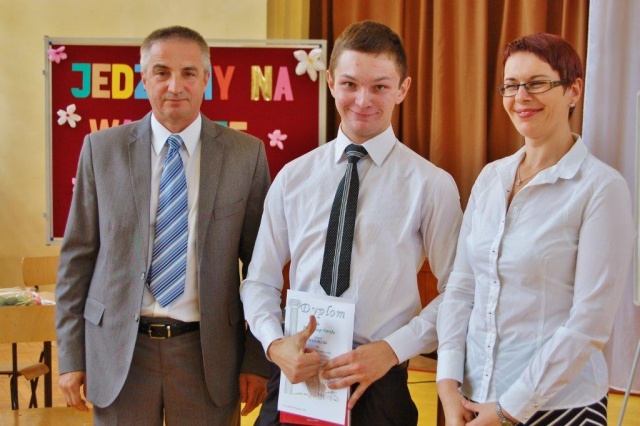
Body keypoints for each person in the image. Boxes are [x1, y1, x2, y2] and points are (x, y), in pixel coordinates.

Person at [240, 20, 463, 425]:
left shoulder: (431, 185)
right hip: (297, 375)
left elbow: (460, 292)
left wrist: (393, 349)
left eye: (379, 86)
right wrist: (275, 345)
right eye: (349, 84)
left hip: (379, 382)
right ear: (330, 83)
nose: (363, 100)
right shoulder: (293, 177)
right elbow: (259, 281)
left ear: (403, 89)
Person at [55, 25, 271, 425]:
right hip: (120, 354)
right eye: (161, 72)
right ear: (144, 79)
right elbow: (77, 260)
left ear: (206, 79)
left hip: (208, 356)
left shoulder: (246, 155)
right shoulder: (101, 150)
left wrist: (258, 359)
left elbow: (263, 269)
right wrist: (70, 356)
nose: (175, 86)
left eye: (188, 73)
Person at [436, 33, 635, 426]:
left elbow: (590, 322)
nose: (521, 96)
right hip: (469, 398)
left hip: (559, 408)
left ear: (573, 90)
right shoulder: (491, 178)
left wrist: (508, 408)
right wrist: (446, 381)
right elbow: (462, 287)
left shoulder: (601, 187)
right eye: (511, 85)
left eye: (537, 83)